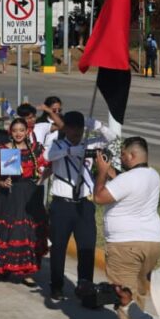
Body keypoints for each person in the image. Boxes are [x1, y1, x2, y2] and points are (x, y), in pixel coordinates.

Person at [92, 137, 160, 319]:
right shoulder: (152, 175)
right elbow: (126, 185)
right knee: (139, 292)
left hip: (125, 244)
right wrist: (111, 170)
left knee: (123, 293)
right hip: (151, 242)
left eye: (123, 155)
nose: (121, 159)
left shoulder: (128, 179)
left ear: (132, 156)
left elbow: (99, 196)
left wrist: (102, 171)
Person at [44, 110, 114, 301]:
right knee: (58, 247)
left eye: (80, 129)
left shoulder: (89, 144)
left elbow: (111, 137)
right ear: (65, 128)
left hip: (84, 204)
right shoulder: (57, 144)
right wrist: (69, 151)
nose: (76, 133)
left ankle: (85, 286)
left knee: (86, 247)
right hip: (62, 204)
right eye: (72, 128)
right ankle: (56, 285)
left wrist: (97, 126)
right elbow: (48, 156)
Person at [0, 118, 49, 278]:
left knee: (29, 232)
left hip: (30, 195)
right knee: (9, 231)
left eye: (21, 130)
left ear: (27, 131)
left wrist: (40, 179)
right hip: (10, 195)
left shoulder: (35, 149)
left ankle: (27, 269)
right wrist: (1, 181)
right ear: (10, 133)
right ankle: (3, 266)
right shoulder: (6, 149)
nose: (18, 133)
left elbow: (47, 166)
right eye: (15, 131)